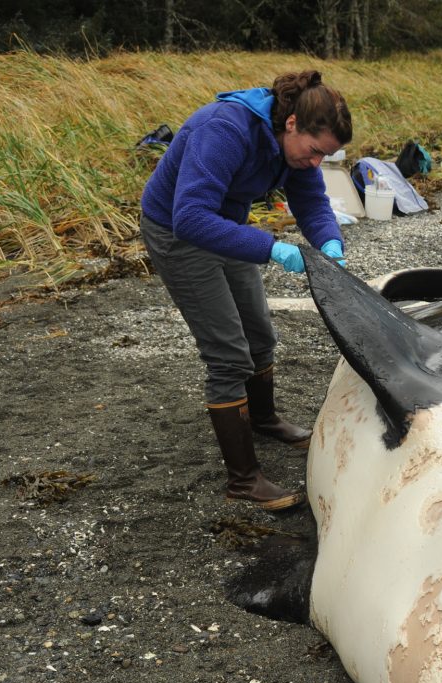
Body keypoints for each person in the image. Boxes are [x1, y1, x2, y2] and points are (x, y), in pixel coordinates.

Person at [140, 70, 352, 511]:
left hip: (227, 225)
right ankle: (243, 479)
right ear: (291, 123)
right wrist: (272, 248)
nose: (316, 163)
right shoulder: (225, 129)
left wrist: (329, 241)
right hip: (179, 232)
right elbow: (191, 218)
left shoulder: (295, 150)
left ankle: (263, 418)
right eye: (314, 152)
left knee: (259, 334)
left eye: (325, 158)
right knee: (228, 353)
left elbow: (312, 201)